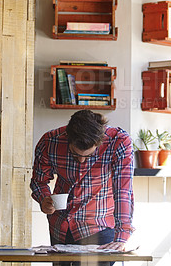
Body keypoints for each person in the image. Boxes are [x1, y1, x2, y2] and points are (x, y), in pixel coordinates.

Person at [30, 110, 135, 266]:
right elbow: (39, 181)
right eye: (75, 154)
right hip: (61, 227)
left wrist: (122, 236)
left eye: (87, 156)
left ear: (99, 141)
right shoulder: (50, 142)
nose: (81, 160)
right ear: (68, 137)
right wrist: (43, 198)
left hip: (100, 227)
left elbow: (123, 191)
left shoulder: (119, 142)